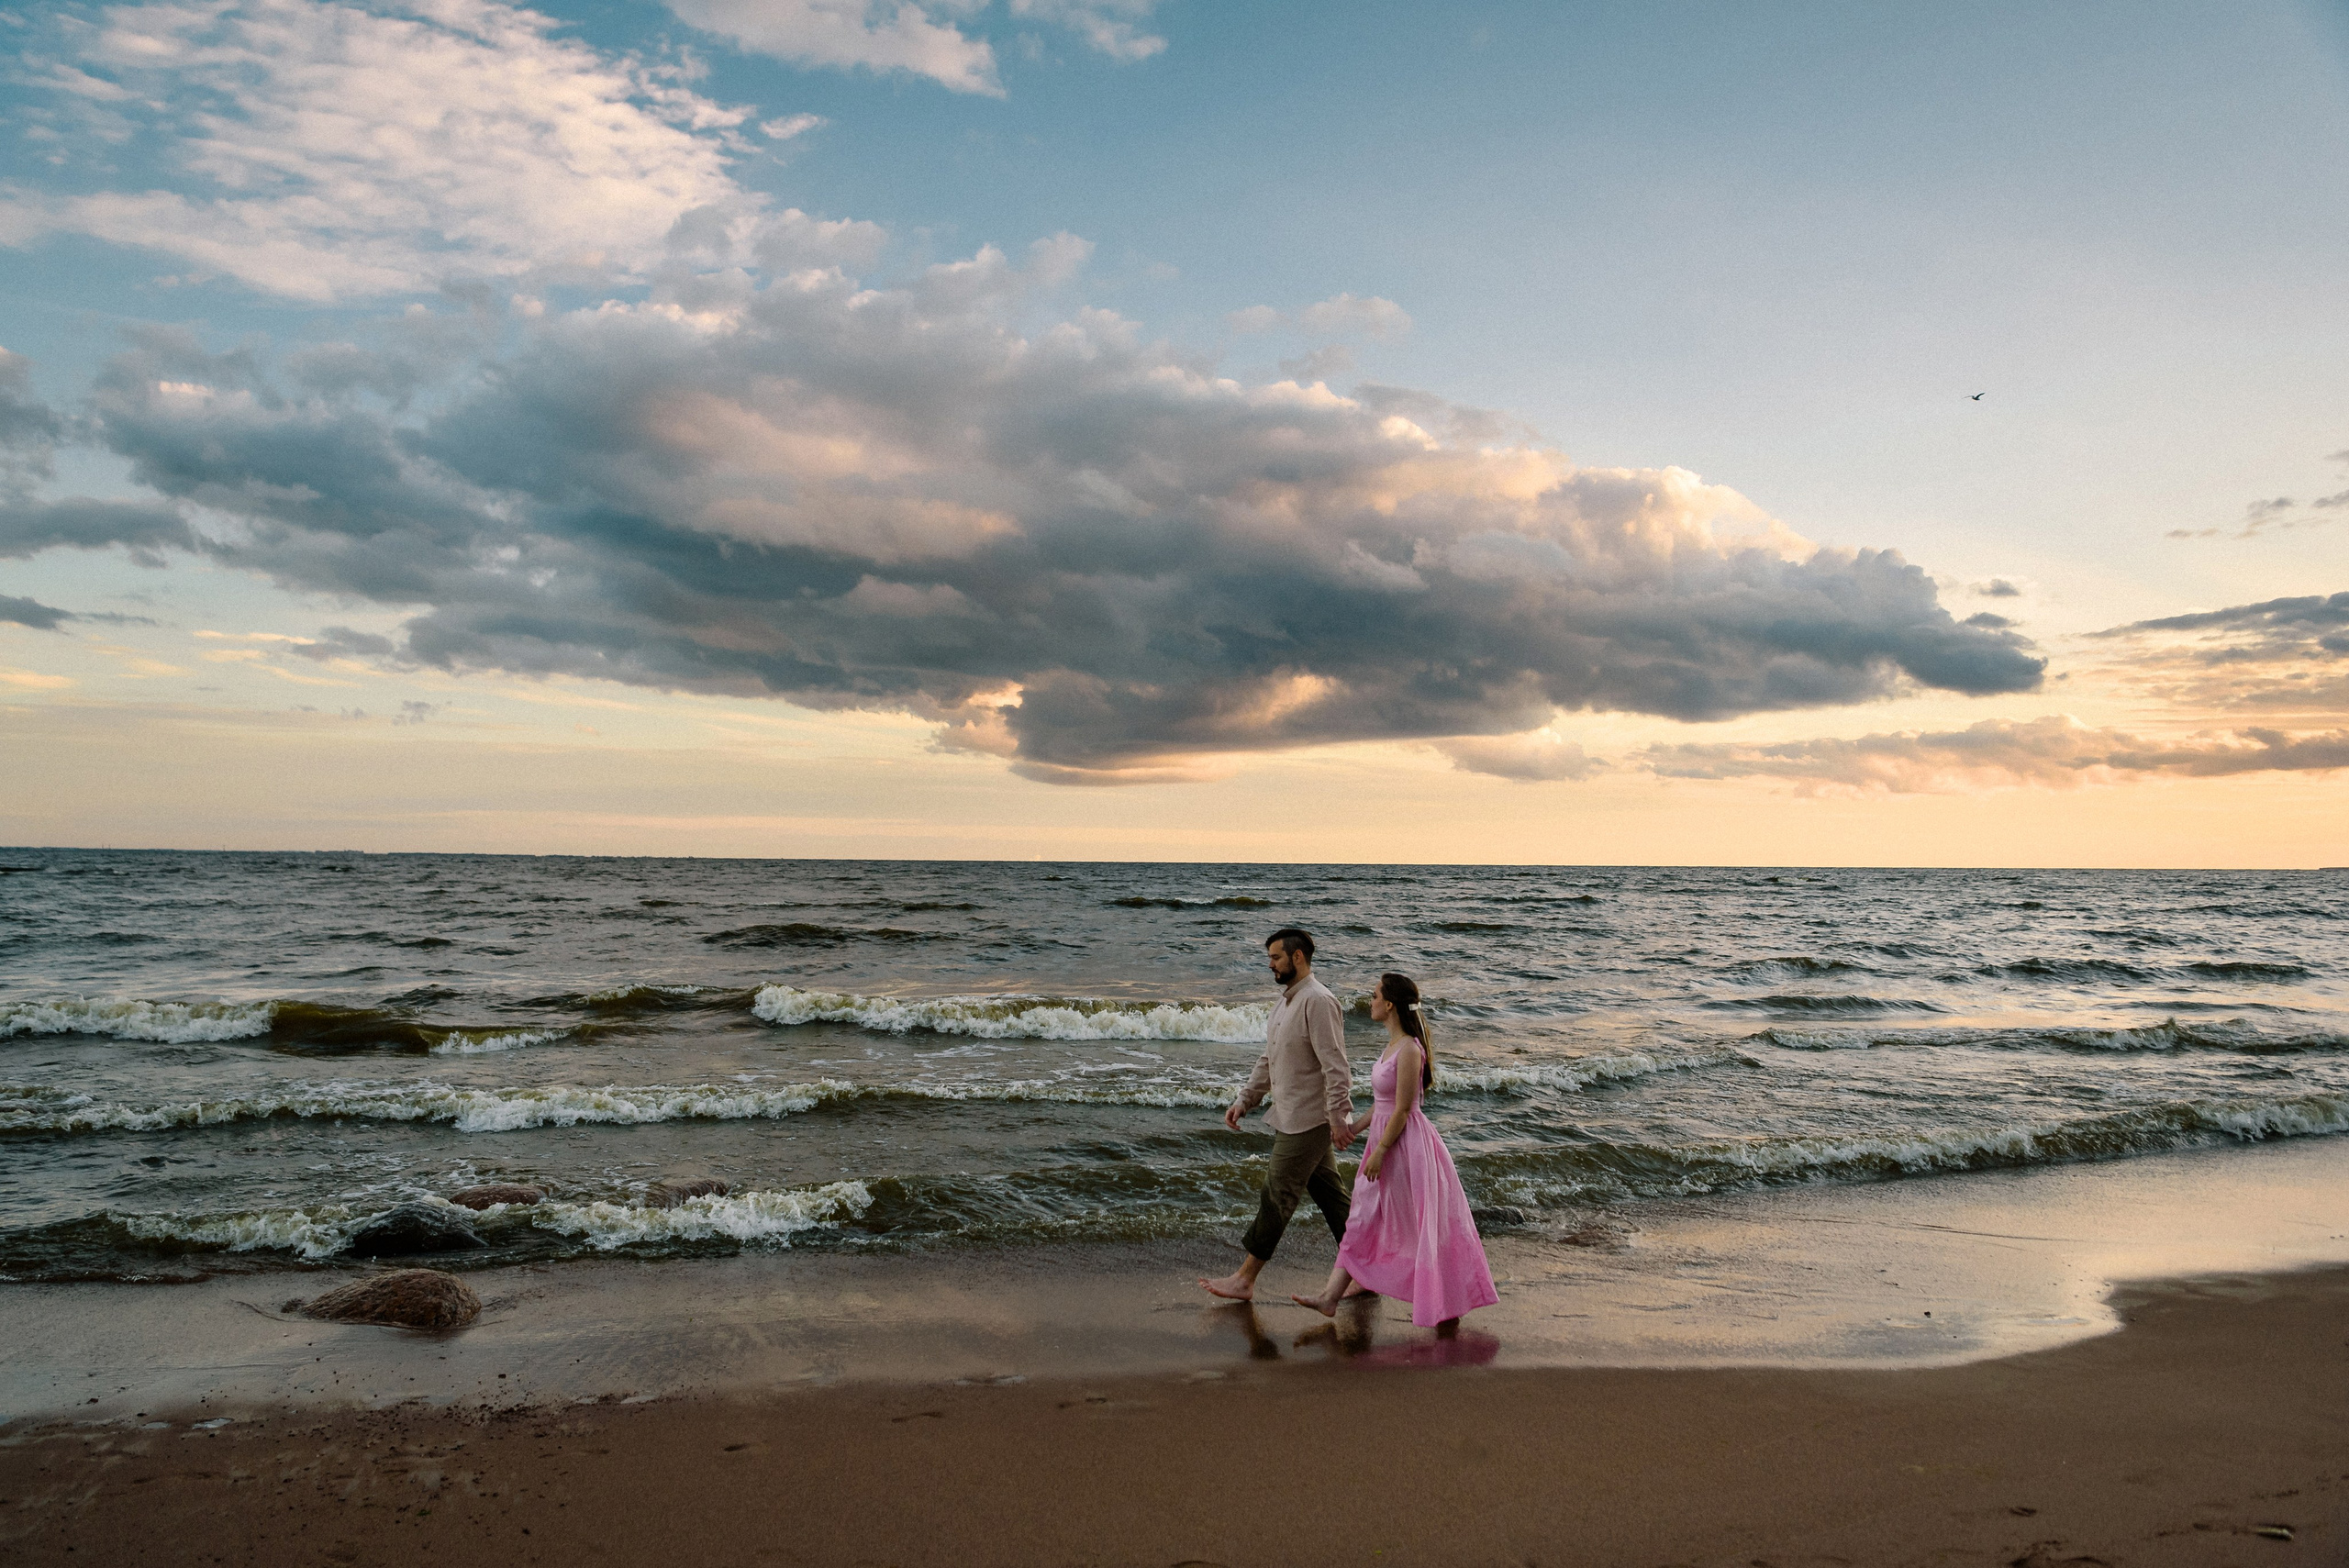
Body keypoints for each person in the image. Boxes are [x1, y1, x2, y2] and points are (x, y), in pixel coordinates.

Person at [1291, 971, 1497, 1329]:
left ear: (1389, 1004)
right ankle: (1330, 1297)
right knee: (1362, 1218)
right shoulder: (1389, 1047)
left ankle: (1447, 1298)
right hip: (1383, 1141)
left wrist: (1381, 1151)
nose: (1369, 1002)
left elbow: (1403, 1109)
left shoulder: (1410, 1050)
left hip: (1405, 1146)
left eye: (1374, 996)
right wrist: (1354, 1128)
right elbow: (1382, 1104)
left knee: (1419, 1226)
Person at [1198, 928, 1355, 1303]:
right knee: (1335, 1201)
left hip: (1310, 1119)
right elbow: (1269, 1060)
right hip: (1290, 1113)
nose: (1270, 964)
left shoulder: (1318, 1001)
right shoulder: (1285, 1003)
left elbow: (1337, 1068)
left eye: (1275, 957)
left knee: (1277, 1192)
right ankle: (1365, 1271)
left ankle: (1246, 1278)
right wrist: (1245, 1100)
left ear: (1297, 957)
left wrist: (1338, 1117)